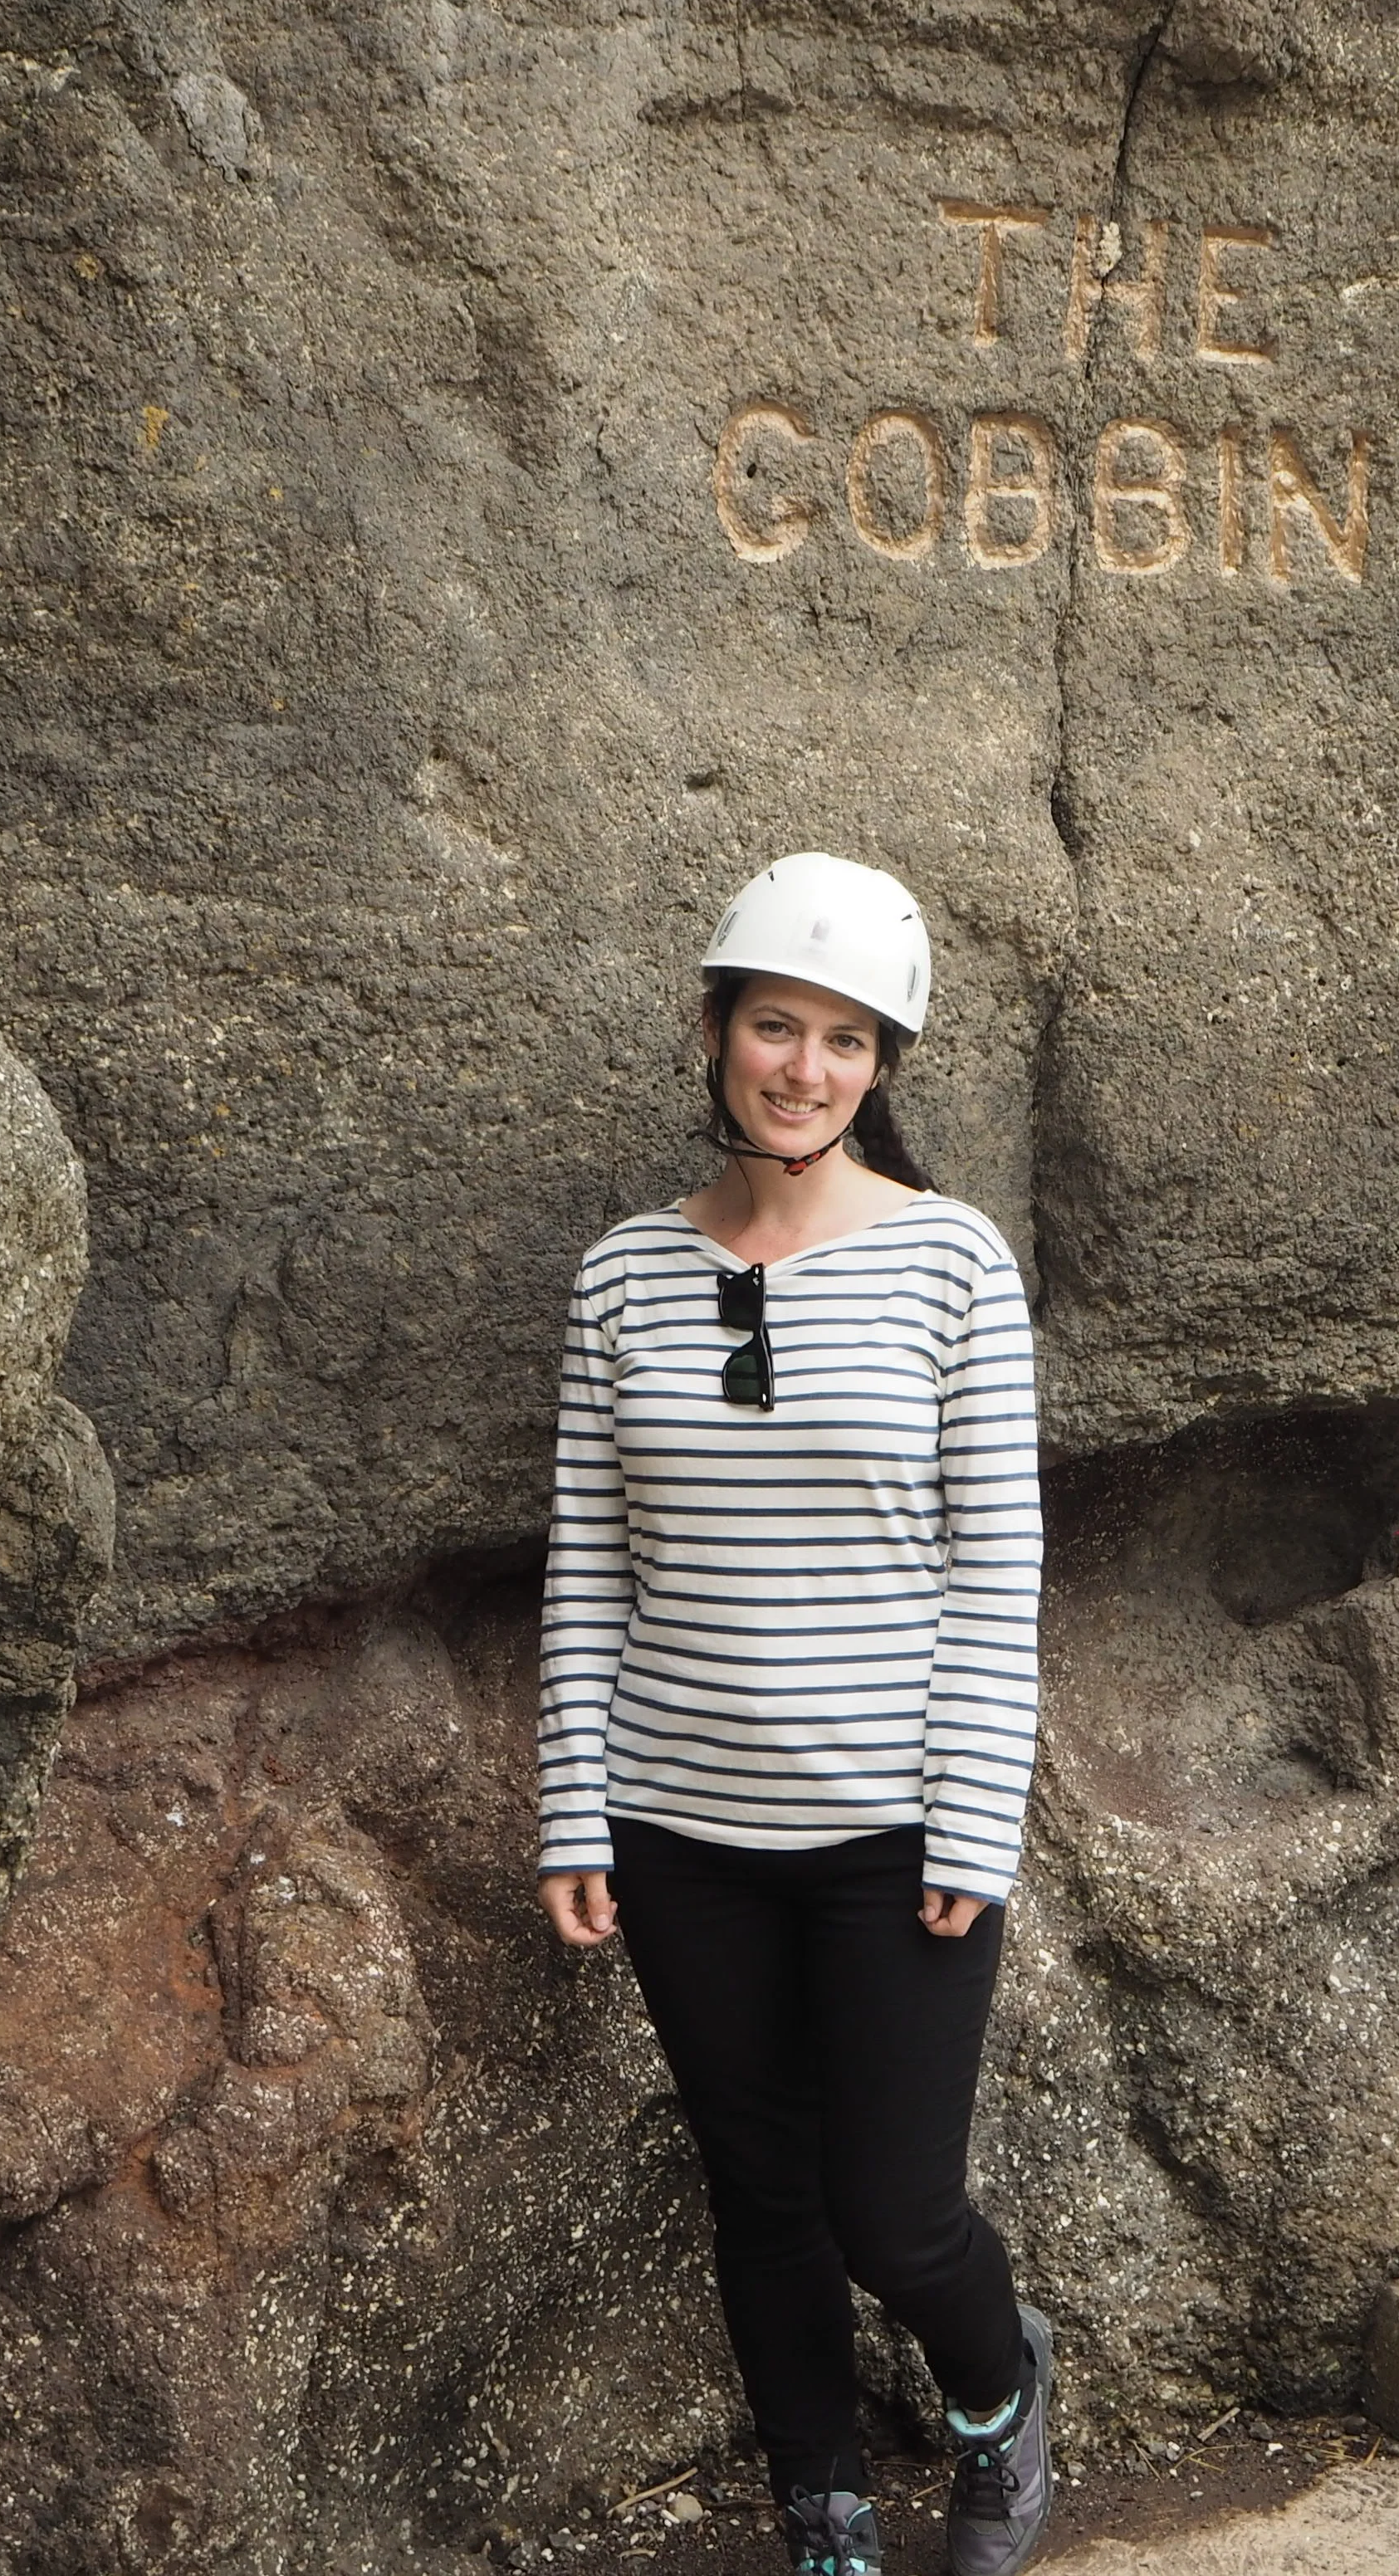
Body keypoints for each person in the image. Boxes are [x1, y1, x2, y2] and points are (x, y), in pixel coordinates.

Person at [536, 853, 1054, 2576]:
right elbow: (592, 1563)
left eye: (847, 1040)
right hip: (682, 1835)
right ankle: (819, 2501)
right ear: (716, 1031)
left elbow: (999, 1564)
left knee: (894, 2216)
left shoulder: (951, 1266)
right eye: (777, 1026)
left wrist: (978, 1818)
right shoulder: (621, 1278)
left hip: (894, 1833)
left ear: (882, 1067)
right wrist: (574, 1808)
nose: (806, 1068)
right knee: (757, 2193)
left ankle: (997, 2402)